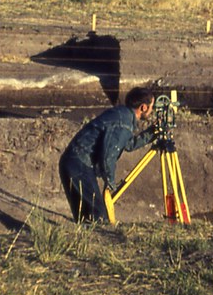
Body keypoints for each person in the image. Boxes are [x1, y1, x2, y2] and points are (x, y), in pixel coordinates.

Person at [58, 86, 157, 223]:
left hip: (74, 163)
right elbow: (108, 155)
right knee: (98, 217)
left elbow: (128, 144)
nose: (152, 110)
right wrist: (110, 181)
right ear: (143, 107)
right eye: (152, 106)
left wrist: (152, 132)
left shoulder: (122, 115)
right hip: (78, 165)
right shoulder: (124, 123)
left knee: (87, 219)